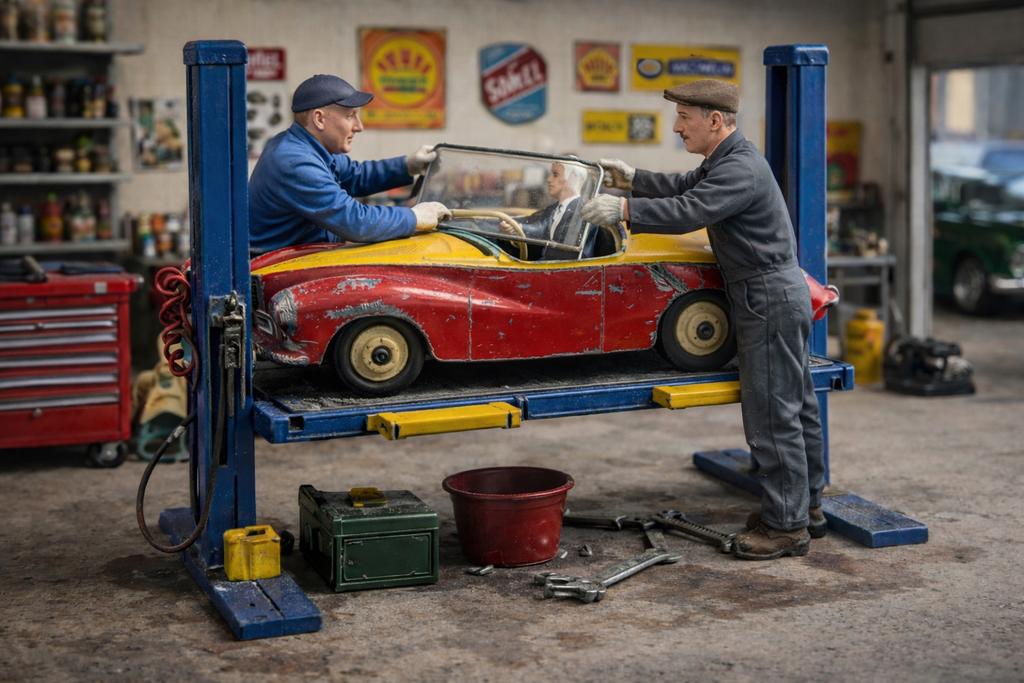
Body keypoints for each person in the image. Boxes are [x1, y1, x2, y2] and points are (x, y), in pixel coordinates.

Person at [581, 79, 826, 560]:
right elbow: (685, 186)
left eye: (684, 118)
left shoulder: (740, 168)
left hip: (766, 298)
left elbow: (690, 209)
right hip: (774, 295)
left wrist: (623, 209)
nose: (677, 127)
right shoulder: (728, 159)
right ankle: (806, 507)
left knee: (772, 414)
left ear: (715, 121)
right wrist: (633, 177)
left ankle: (786, 526)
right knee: (796, 404)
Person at [248, 74, 450, 255]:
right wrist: (414, 217)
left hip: (301, 256)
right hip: (273, 268)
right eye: (350, 115)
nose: (359, 126)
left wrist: (407, 166)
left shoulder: (311, 148)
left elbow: (356, 176)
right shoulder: (295, 161)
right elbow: (354, 221)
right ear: (319, 119)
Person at [504, 161, 591, 260]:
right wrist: (516, 226)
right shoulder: (553, 209)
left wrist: (519, 228)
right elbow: (540, 225)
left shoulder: (581, 212)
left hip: (563, 265)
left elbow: (568, 251)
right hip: (548, 262)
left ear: (572, 178)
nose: (549, 179)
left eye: (555, 175)